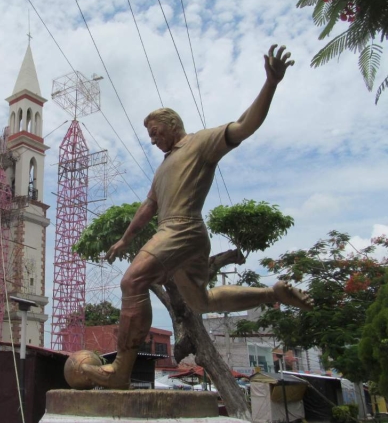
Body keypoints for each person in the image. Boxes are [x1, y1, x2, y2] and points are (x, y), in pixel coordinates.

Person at [78, 45, 313, 390]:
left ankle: (121, 371)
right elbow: (148, 206)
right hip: (185, 236)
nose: (153, 139)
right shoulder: (162, 168)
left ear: (173, 125)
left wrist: (271, 83)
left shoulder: (201, 143)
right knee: (201, 303)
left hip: (182, 228)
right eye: (150, 135)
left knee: (131, 282)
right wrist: (125, 239)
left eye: (156, 132)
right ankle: (271, 293)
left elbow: (245, 126)